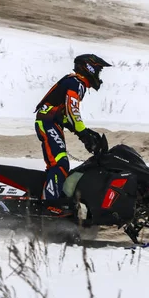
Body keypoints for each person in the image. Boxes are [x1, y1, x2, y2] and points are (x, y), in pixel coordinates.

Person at [34, 53, 112, 202]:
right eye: (98, 70)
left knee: (59, 163)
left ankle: (51, 198)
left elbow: (66, 115)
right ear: (89, 68)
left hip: (51, 122)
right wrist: (83, 133)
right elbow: (72, 111)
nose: (99, 75)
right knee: (59, 163)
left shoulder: (75, 82)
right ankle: (51, 204)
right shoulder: (76, 83)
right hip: (47, 122)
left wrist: (85, 133)